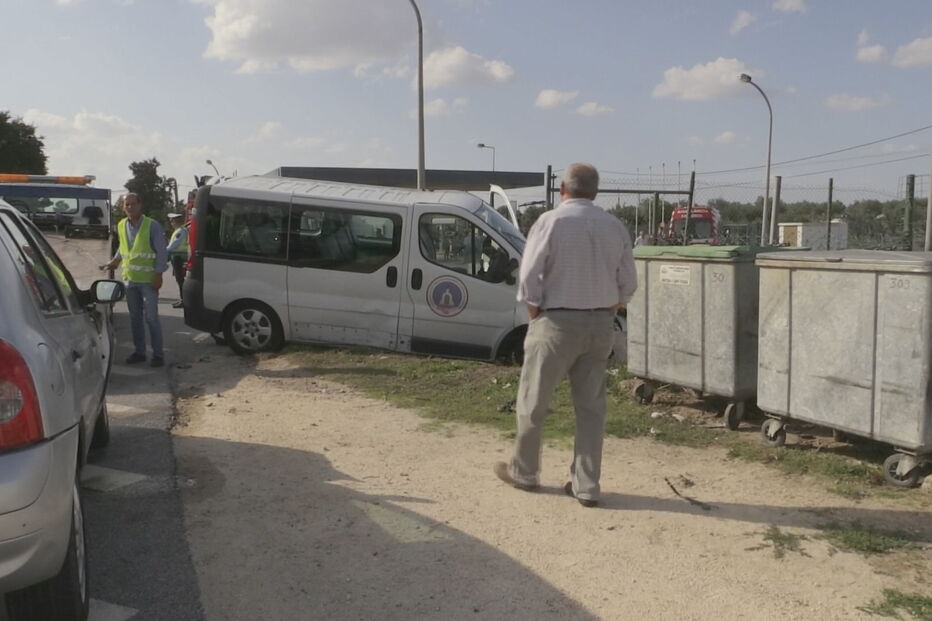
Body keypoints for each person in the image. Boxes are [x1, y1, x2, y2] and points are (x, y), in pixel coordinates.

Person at [493, 163, 637, 508]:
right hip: (600, 325)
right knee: (590, 409)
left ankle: (525, 472)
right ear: (595, 192)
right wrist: (610, 308)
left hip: (555, 322)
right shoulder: (614, 226)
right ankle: (586, 485)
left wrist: (536, 314)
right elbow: (629, 283)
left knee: (533, 401)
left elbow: (529, 279)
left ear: (562, 190)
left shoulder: (550, 222)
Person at [100, 193, 169, 367]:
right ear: (123, 207)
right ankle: (139, 352)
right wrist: (114, 262)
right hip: (130, 281)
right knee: (135, 318)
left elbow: (162, 252)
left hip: (148, 282)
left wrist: (159, 274)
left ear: (140, 205)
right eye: (126, 205)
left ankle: (158, 355)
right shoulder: (122, 225)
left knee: (151, 318)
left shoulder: (152, 225)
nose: (129, 207)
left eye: (132, 204)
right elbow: (123, 248)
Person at [166, 212, 189, 308]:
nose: (171, 223)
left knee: (180, 280)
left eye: (172, 221)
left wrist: (163, 251)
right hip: (177, 257)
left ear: (176, 221)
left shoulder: (180, 231)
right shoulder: (180, 230)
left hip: (178, 258)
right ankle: (183, 300)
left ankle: (184, 301)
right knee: (180, 280)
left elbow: (174, 245)